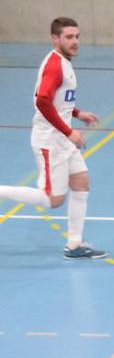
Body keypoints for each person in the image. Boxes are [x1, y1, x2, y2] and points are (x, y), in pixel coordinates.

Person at [0, 17, 105, 259]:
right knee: (52, 199)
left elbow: (59, 100)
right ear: (55, 38)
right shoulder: (55, 65)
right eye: (69, 37)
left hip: (63, 138)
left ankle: (75, 245)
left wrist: (78, 114)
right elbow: (42, 101)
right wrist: (69, 131)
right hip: (50, 140)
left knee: (81, 182)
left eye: (77, 36)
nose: (75, 41)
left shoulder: (64, 63)